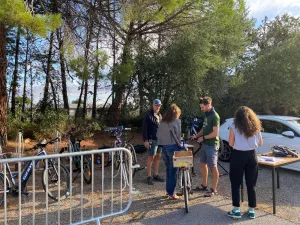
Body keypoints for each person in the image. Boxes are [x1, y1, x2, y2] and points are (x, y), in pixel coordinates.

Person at [227, 106, 263, 219]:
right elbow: (260, 143)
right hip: (252, 155)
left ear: (237, 116)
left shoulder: (234, 126)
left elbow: (231, 143)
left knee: (236, 183)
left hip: (238, 155)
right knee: (251, 183)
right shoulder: (256, 126)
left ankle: (236, 209)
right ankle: (252, 209)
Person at [191, 97, 220, 197]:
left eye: (203, 107)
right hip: (205, 144)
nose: (201, 109)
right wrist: (196, 136)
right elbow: (204, 129)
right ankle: (204, 185)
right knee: (203, 164)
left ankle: (213, 189)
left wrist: (203, 138)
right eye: (201, 107)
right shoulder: (206, 115)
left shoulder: (215, 116)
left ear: (208, 105)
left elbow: (215, 133)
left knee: (213, 166)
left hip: (212, 145)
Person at [157, 104, 183, 200]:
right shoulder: (177, 121)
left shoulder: (163, 121)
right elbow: (178, 136)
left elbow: (158, 135)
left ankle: (168, 191)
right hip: (173, 148)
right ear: (176, 113)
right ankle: (172, 193)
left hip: (164, 148)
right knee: (173, 171)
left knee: (168, 170)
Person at [142, 99, 165, 185]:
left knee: (158, 156)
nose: (157, 107)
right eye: (156, 105)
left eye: (159, 105)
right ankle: (149, 176)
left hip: (160, 140)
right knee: (151, 157)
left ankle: (155, 175)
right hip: (152, 139)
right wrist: (146, 140)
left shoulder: (160, 115)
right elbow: (144, 128)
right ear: (153, 105)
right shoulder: (148, 115)